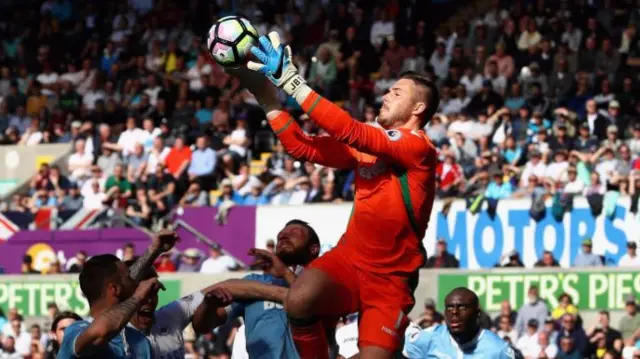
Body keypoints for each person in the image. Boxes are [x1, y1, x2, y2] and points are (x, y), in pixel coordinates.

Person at [240, 32, 439, 359]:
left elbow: (351, 131)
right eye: (388, 90)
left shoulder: (419, 148)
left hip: (390, 282)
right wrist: (266, 97)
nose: (386, 95)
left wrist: (291, 81)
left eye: (397, 92)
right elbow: (300, 146)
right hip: (350, 258)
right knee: (298, 299)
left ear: (418, 107)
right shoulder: (369, 147)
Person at [58, 230, 179, 358]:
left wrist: (154, 251)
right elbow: (101, 332)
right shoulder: (75, 332)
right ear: (115, 289)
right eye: (128, 277)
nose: (135, 282)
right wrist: (137, 296)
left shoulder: (140, 342)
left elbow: (126, 281)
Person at [210, 219, 322, 359]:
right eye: (281, 235)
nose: (283, 236)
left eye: (294, 233)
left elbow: (310, 307)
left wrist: (284, 272)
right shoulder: (254, 282)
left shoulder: (323, 279)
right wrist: (207, 303)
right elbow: (208, 320)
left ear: (314, 249)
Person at [124, 260, 233, 358]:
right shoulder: (114, 339)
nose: (150, 300)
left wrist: (208, 301)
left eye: (154, 293)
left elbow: (227, 286)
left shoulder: (171, 315)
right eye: (142, 294)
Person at [403, 287, 522, 358]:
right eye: (449, 307)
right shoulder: (428, 338)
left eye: (462, 307)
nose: (454, 312)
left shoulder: (498, 349)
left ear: (477, 313)